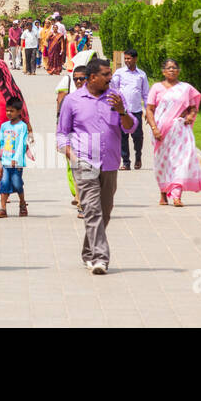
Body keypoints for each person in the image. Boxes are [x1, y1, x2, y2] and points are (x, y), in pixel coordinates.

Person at [57, 57, 137, 274]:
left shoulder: (115, 98)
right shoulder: (72, 101)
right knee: (92, 210)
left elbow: (130, 128)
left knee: (105, 211)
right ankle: (101, 258)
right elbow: (62, 133)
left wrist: (122, 111)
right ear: (92, 78)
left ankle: (88, 251)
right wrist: (71, 155)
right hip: (84, 162)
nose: (110, 78)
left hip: (110, 162)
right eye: (106, 75)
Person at [144, 59, 201, 206]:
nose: (172, 70)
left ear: (179, 70)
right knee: (163, 162)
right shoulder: (157, 88)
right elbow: (150, 110)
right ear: (163, 71)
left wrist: (190, 116)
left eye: (174, 68)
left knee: (180, 161)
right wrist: (154, 129)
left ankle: (177, 195)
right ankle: (163, 193)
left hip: (180, 132)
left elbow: (193, 107)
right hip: (160, 133)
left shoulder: (185, 88)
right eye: (168, 68)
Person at [0, 60, 30, 203]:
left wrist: (28, 127)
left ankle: (5, 189)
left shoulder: (11, 90)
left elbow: (23, 110)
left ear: (1, 73)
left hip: (8, 132)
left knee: (5, 158)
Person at [56, 64, 89, 213]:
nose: (78, 82)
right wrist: (62, 143)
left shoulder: (98, 98)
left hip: (93, 144)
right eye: (76, 79)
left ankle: (89, 202)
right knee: (78, 174)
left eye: (82, 78)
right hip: (75, 144)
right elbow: (62, 126)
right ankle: (81, 203)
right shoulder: (69, 100)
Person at [111, 48, 151, 171]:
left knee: (138, 137)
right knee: (123, 137)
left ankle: (138, 157)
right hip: (122, 111)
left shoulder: (141, 75)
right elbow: (113, 88)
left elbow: (146, 94)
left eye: (129, 58)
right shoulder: (119, 73)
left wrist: (148, 111)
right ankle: (126, 162)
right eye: (126, 58)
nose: (127, 61)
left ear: (135, 59)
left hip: (136, 111)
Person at [0, 98, 34, 217]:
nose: (9, 113)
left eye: (11, 111)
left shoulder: (22, 127)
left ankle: (22, 203)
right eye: (7, 111)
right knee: (4, 182)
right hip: (5, 161)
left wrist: (15, 158)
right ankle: (3, 209)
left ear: (19, 111)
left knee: (17, 183)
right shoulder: (4, 126)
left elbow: (22, 143)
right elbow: (0, 141)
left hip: (17, 162)